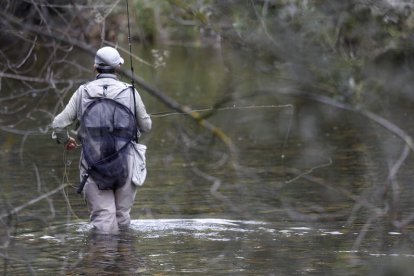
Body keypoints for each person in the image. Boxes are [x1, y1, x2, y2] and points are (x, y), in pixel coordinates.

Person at [52, 46, 152, 234]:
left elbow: (58, 124)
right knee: (122, 218)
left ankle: (101, 259)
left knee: (103, 221)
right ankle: (124, 259)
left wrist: (66, 140)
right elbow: (146, 127)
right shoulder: (130, 91)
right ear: (118, 68)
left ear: (94, 68)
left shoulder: (82, 92)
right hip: (126, 162)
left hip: (93, 162)